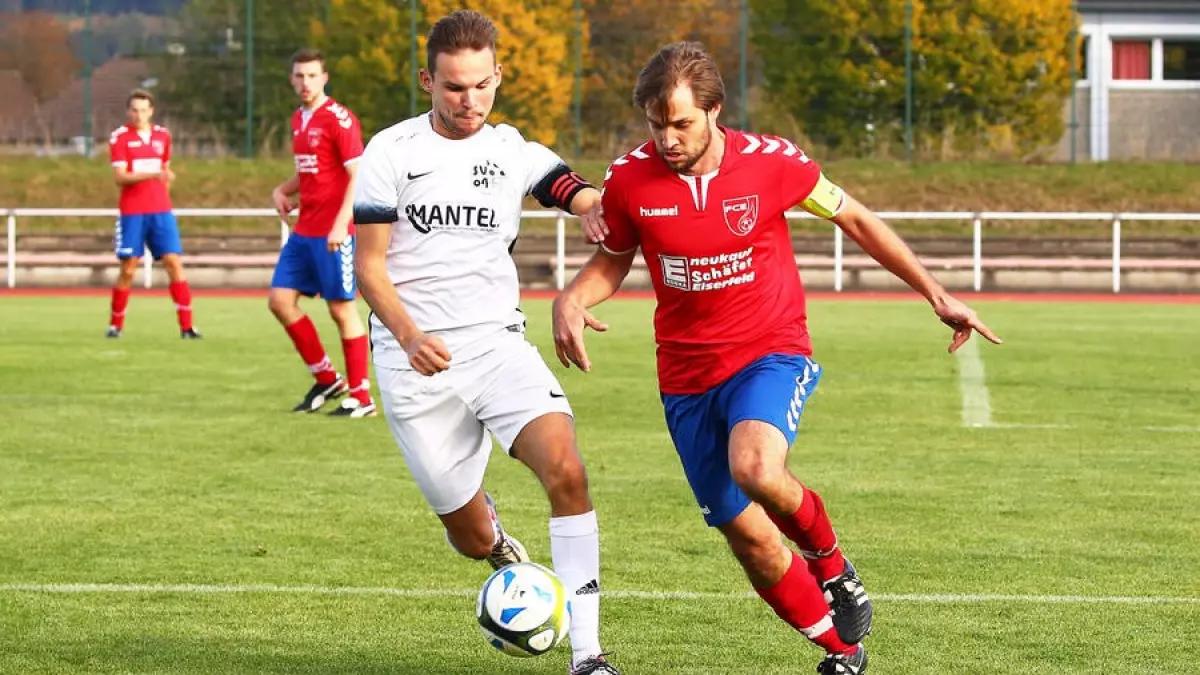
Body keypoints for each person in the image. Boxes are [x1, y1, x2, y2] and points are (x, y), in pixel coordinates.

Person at [553, 42, 1003, 675]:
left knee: (757, 467)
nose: (667, 139)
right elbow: (616, 257)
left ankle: (832, 562)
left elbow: (855, 218)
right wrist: (572, 297)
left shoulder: (773, 164)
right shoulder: (629, 179)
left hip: (770, 350)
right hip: (685, 380)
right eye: (656, 125)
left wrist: (936, 293)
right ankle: (842, 654)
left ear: (714, 111)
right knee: (751, 538)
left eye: (681, 123)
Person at [352, 11, 619, 675]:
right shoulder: (391, 153)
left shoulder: (508, 147)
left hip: (499, 346)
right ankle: (496, 541)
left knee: (567, 469)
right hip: (415, 364)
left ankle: (587, 654)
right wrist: (410, 336)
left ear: (497, 77)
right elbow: (368, 267)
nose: (468, 100)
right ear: (427, 81)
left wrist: (592, 207)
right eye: (453, 87)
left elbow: (565, 184)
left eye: (480, 85)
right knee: (467, 537)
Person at [269, 48, 375, 418]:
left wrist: (340, 223)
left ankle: (362, 396)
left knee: (341, 308)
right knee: (280, 301)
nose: (305, 82)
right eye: (299, 76)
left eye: (312, 75)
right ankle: (328, 378)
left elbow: (356, 174)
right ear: (291, 79)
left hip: (335, 230)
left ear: (324, 77)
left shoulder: (339, 119)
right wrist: (285, 190)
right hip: (305, 230)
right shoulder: (299, 119)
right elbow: (311, 170)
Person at [106, 89, 200, 339]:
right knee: (128, 269)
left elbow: (166, 170)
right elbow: (120, 177)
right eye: (134, 110)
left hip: (161, 212)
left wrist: (163, 185)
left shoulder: (163, 136)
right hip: (133, 213)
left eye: (143, 110)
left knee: (173, 263)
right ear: (129, 112)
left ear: (151, 111)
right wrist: (152, 174)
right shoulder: (120, 138)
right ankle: (116, 325)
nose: (139, 115)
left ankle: (187, 327)